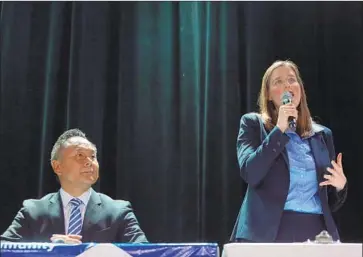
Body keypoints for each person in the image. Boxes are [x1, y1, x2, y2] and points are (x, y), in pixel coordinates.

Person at [230, 60, 348, 243]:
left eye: (292, 80)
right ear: (268, 94)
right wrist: (279, 131)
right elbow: (251, 173)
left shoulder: (322, 135)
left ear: (300, 88)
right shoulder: (253, 124)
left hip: (315, 232)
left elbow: (329, 201)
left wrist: (340, 186)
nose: (287, 85)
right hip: (268, 233)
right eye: (278, 82)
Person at [1, 129, 148, 244]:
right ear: (57, 166)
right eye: (80, 156)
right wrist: (51, 250)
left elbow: (145, 253)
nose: (89, 162)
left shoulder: (118, 212)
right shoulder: (33, 212)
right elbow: (5, 249)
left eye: (93, 156)